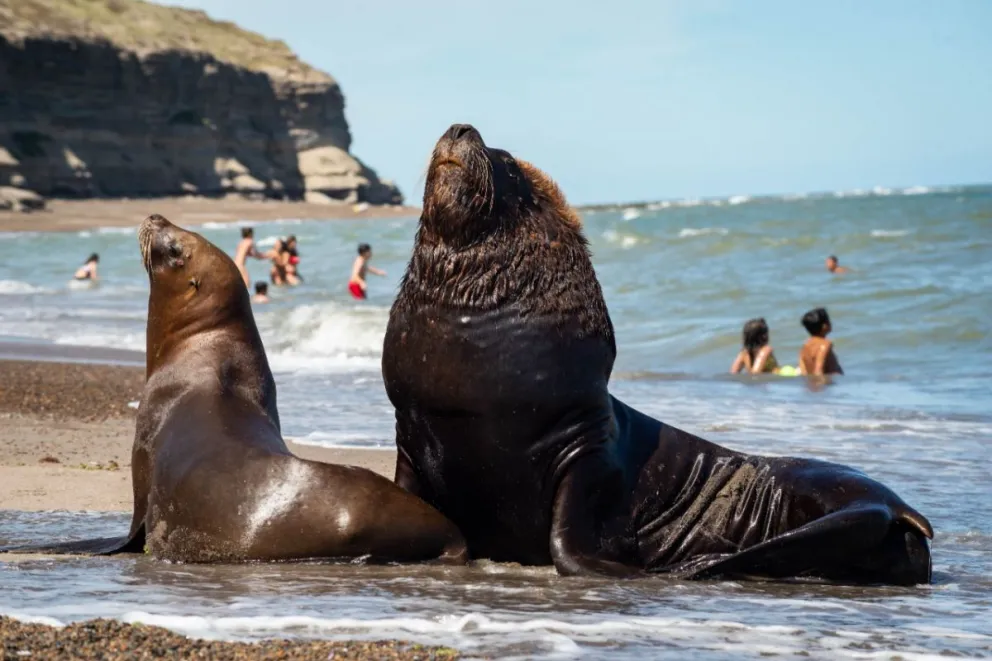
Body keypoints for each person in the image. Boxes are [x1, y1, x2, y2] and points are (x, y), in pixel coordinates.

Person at [799, 307, 844, 376]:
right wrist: (820, 385)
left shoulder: (804, 347)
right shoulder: (824, 344)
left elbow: (804, 372)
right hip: (828, 385)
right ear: (824, 326)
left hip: (809, 385)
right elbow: (818, 371)